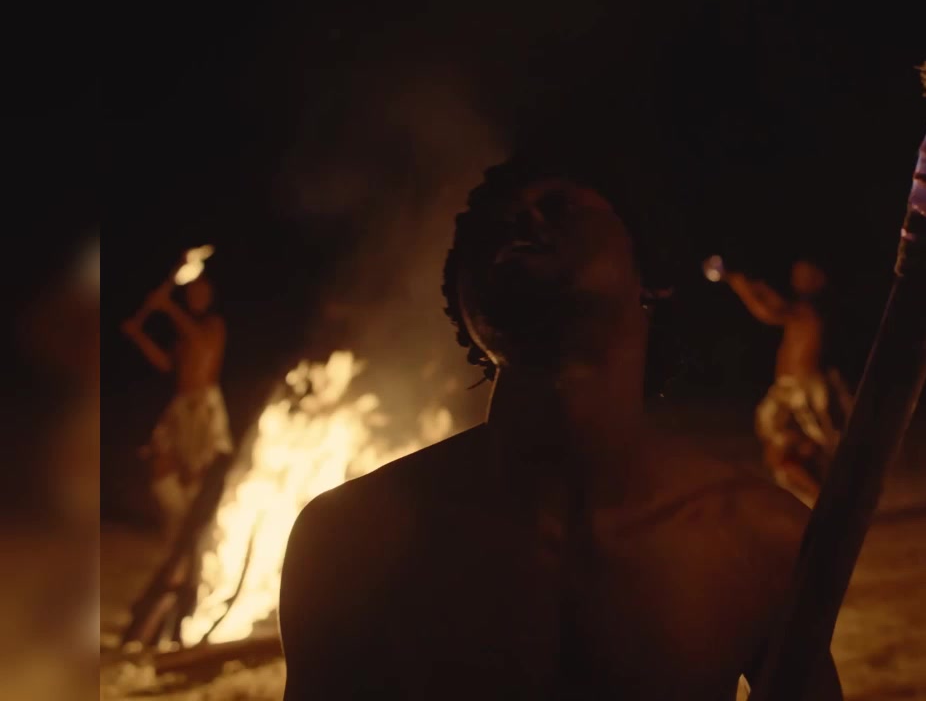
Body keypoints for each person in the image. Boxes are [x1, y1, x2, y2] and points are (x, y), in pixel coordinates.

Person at [280, 159, 842, 700]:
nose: (520, 220)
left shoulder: (760, 538)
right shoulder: (350, 538)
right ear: (465, 308)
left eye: (559, 208)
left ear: (650, 279)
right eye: (489, 229)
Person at [709, 256, 852, 508]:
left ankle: (828, 506)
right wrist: (752, 284)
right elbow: (774, 304)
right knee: (781, 451)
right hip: (789, 390)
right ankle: (825, 505)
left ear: (820, 280)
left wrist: (736, 281)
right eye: (797, 273)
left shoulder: (810, 311)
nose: (798, 276)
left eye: (807, 273)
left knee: (800, 450)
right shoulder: (801, 309)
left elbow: (768, 311)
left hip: (805, 391)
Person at [122, 273, 232, 538]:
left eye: (201, 293)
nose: (196, 297)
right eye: (192, 293)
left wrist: (167, 306)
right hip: (180, 404)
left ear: (209, 298)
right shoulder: (183, 334)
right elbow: (166, 363)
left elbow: (201, 344)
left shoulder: (213, 326)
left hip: (202, 403)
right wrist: (138, 336)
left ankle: (192, 534)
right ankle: (181, 524)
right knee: (160, 463)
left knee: (194, 470)